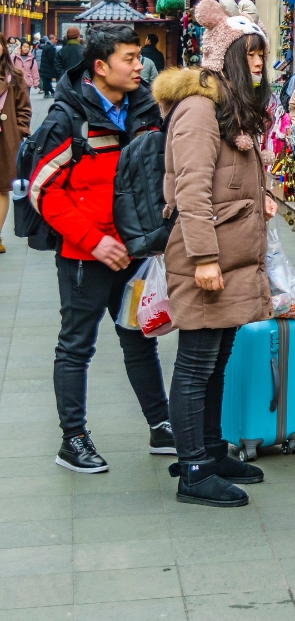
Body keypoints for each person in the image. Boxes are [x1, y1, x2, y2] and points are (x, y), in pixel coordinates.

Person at [26, 24, 174, 472]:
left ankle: (161, 425)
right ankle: (73, 439)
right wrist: (94, 240)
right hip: (84, 256)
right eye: (129, 58)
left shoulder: (147, 108)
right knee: (76, 346)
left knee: (139, 338)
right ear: (100, 66)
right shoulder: (67, 118)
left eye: (137, 57)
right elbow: (42, 190)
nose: (139, 65)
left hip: (135, 254)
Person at [156, 0, 274, 507]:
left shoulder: (232, 109)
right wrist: (204, 258)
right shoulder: (200, 111)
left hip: (232, 260)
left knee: (218, 360)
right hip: (207, 261)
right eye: (248, 55)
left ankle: (209, 448)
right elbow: (192, 189)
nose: (258, 64)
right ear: (225, 57)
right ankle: (194, 470)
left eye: (262, 56)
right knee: (196, 363)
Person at [0, 44, 33, 254]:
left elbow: (24, 107)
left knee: (1, 188)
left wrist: (19, 130)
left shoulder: (14, 76)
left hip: (5, 138)